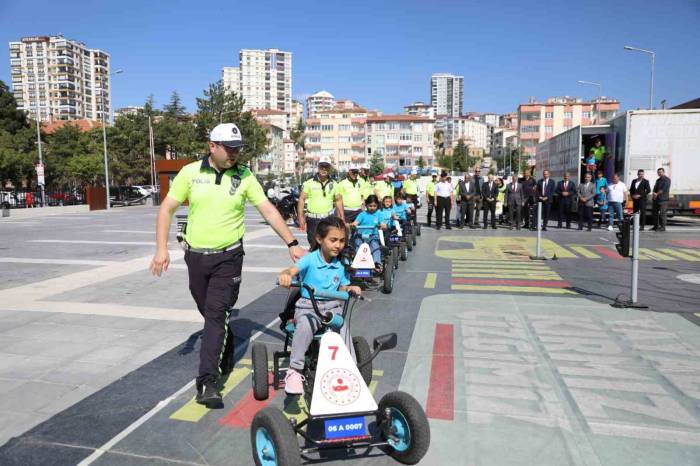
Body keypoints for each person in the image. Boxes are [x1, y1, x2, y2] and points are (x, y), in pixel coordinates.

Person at [150, 123, 305, 408]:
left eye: (237, 149)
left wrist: (291, 243)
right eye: (229, 149)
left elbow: (268, 209)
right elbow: (167, 208)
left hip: (229, 257)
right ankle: (225, 337)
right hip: (196, 256)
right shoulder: (190, 173)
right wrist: (161, 249)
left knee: (215, 313)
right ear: (213, 146)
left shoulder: (245, 175)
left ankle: (207, 381)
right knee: (209, 313)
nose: (234, 154)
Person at [278, 216, 362, 395]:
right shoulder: (310, 259)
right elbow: (291, 271)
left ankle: (350, 370)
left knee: (342, 328)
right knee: (305, 327)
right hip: (309, 307)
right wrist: (285, 275)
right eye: (333, 240)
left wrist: (350, 288)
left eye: (341, 241)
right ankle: (295, 370)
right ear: (319, 239)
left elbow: (341, 286)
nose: (338, 245)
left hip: (333, 307)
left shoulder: (341, 263)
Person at [298, 156, 344, 249]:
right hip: (312, 220)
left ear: (330, 168)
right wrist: (301, 218)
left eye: (326, 167)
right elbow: (301, 200)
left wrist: (342, 218)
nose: (324, 169)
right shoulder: (309, 183)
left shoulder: (335, 184)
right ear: (318, 167)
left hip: (328, 219)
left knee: (328, 246)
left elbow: (338, 201)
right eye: (321, 166)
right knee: (314, 245)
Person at [350, 195, 384, 272]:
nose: (372, 208)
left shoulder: (379, 214)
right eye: (370, 206)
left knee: (375, 246)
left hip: (373, 236)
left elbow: (382, 223)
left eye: (374, 206)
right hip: (360, 236)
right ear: (366, 205)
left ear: (377, 205)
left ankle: (377, 263)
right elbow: (356, 222)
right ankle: (356, 264)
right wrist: (353, 225)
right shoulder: (362, 214)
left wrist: (383, 225)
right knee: (358, 245)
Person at [652, 167, 671, 232]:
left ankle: (663, 227)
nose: (659, 173)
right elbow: (655, 188)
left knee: (662, 214)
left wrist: (656, 194)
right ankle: (655, 226)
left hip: (663, 200)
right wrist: (654, 194)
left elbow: (663, 189)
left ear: (663, 172)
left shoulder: (667, 180)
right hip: (656, 199)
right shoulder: (658, 180)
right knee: (655, 213)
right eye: (658, 172)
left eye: (660, 172)